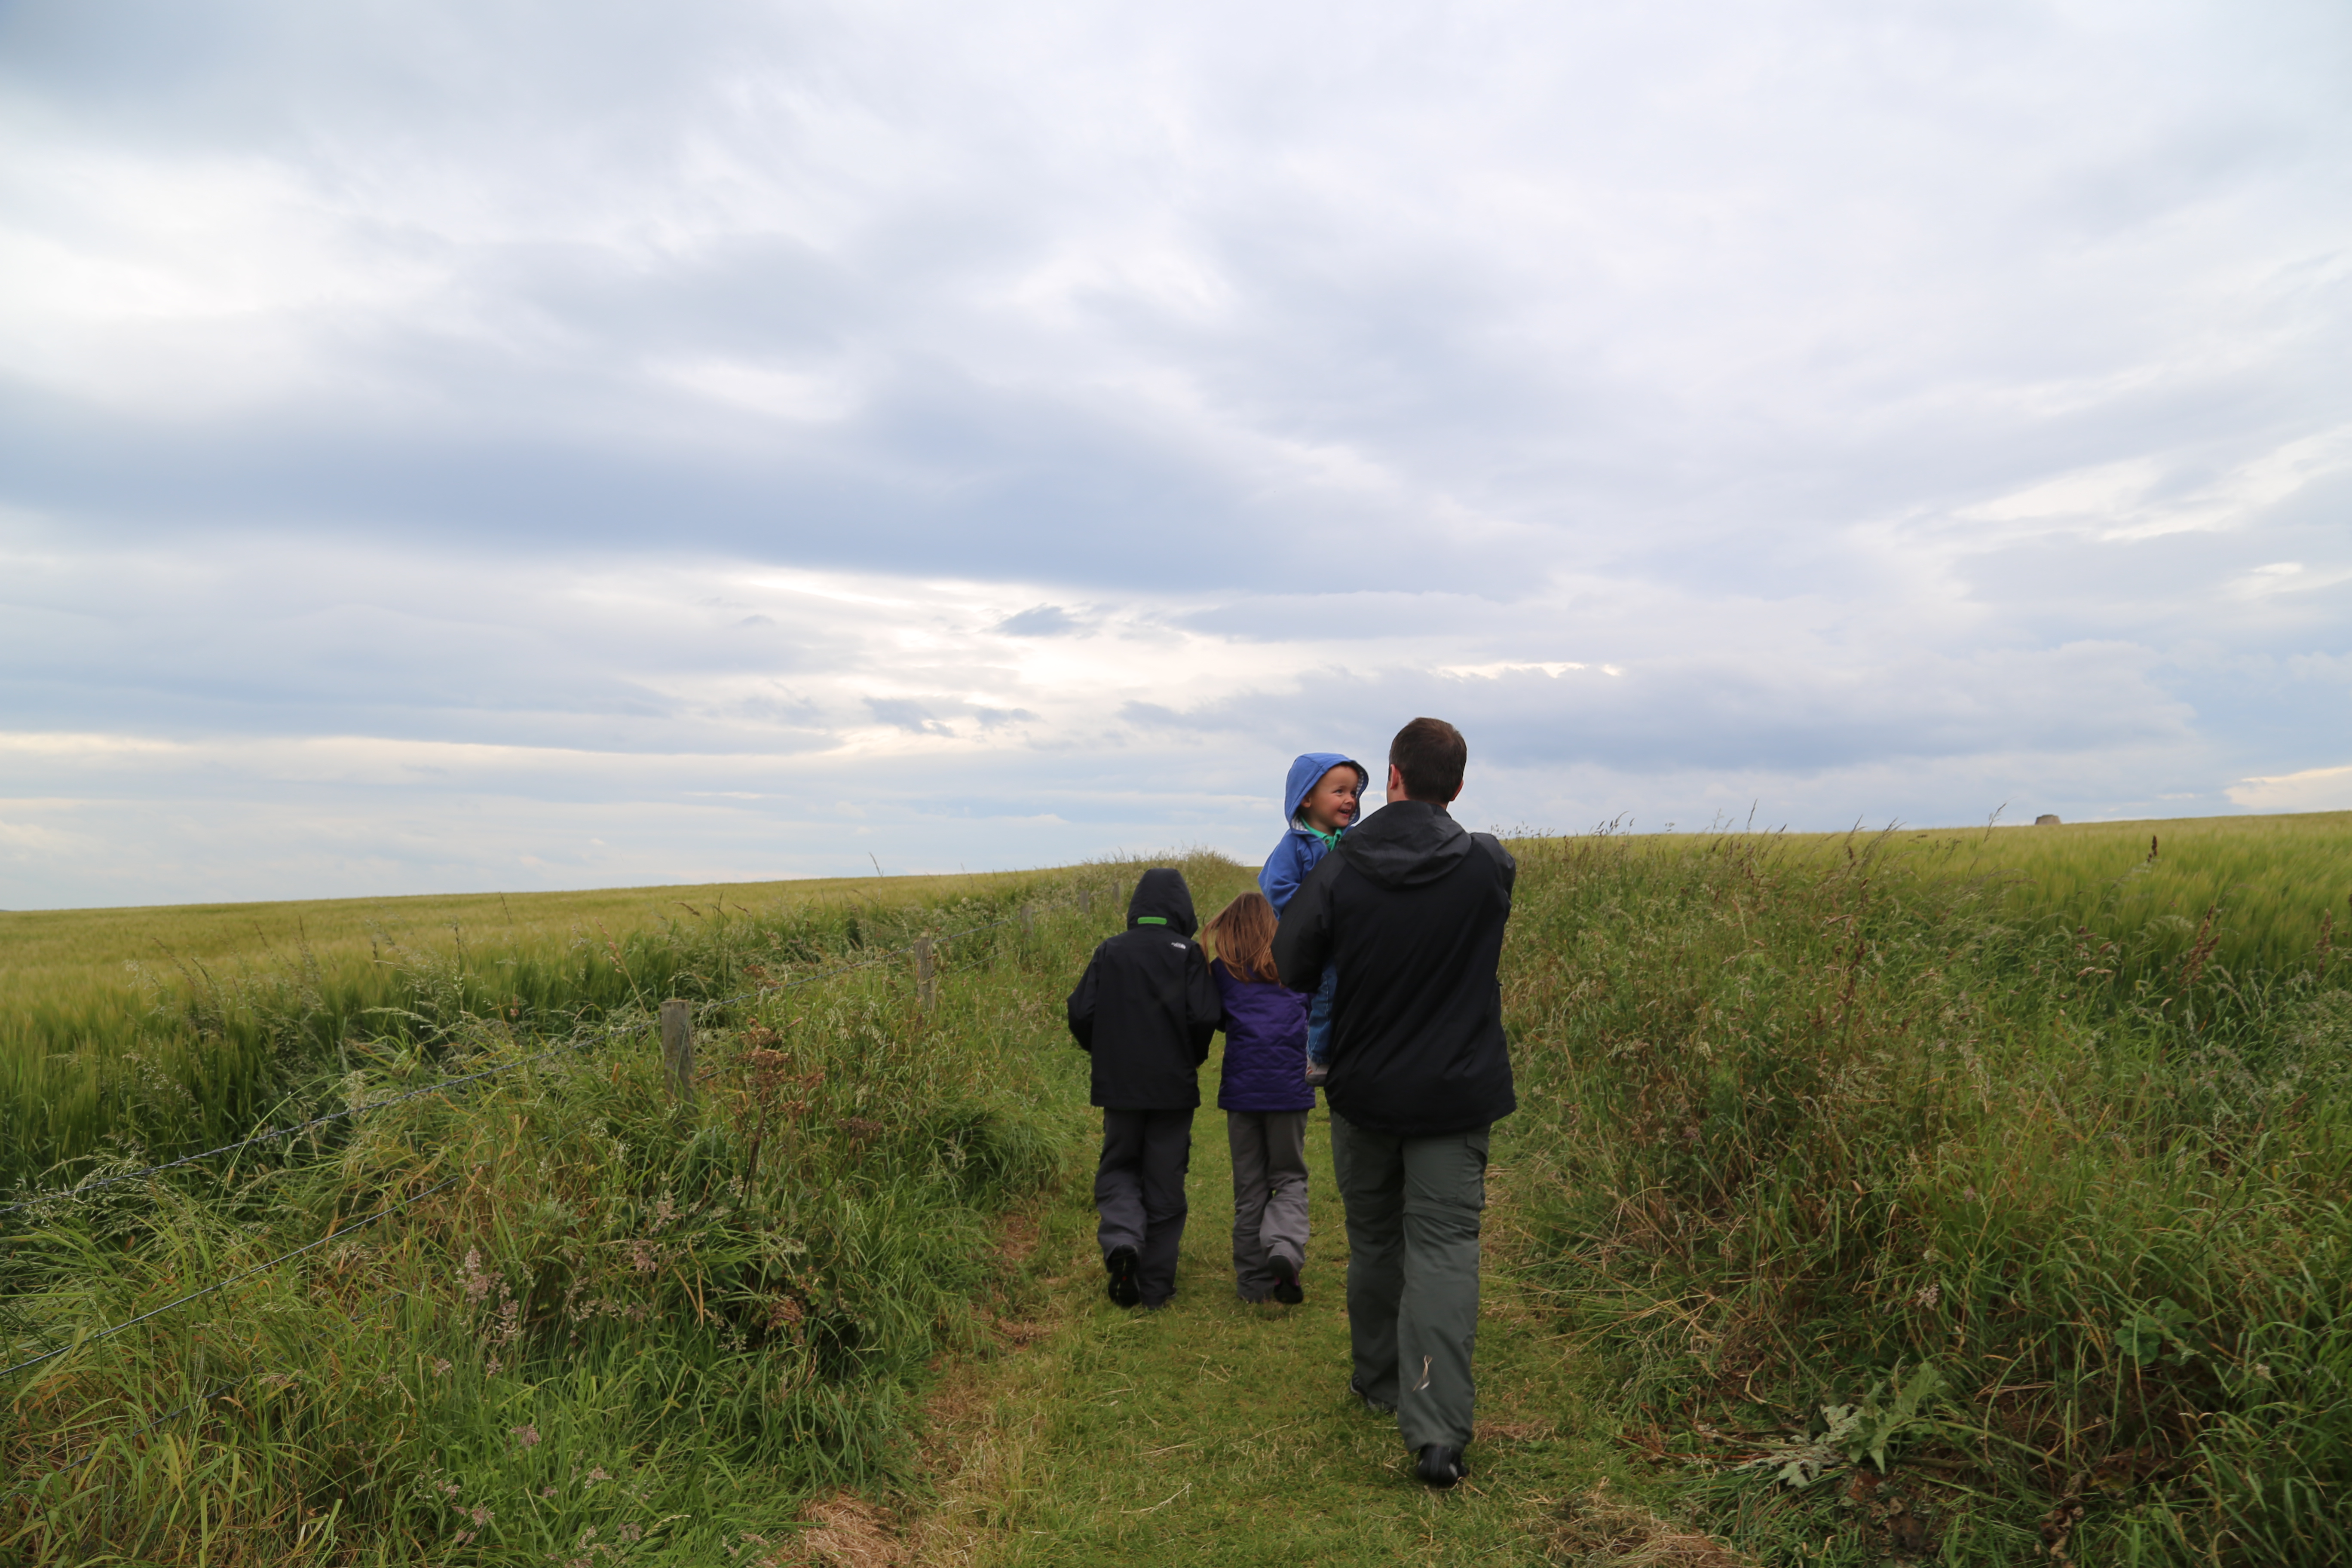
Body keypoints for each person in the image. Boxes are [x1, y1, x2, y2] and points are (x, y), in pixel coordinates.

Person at [1270, 717, 1515, 1489]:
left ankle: (1377, 1382)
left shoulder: (1342, 870)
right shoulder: (1488, 863)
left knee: (1377, 1240)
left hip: (1364, 1089)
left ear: (1393, 775)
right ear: (1460, 787)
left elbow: (1289, 963)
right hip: (1455, 1091)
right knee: (1444, 1248)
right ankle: (1437, 1434)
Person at [1066, 867, 1222, 1310]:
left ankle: (1123, 1243)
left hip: (1119, 1087)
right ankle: (1155, 1287)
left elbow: (1081, 1013)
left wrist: (1104, 1053)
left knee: (1119, 1167)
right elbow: (1206, 1016)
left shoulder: (1109, 951)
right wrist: (1191, 1057)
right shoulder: (1187, 953)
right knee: (1166, 1180)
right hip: (1173, 1088)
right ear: (1182, 909)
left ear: (1136, 909)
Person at [1202, 889, 1314, 1305]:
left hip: (1243, 1092)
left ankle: (1252, 1284)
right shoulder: (1295, 967)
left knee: (1249, 1190)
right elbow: (1312, 1012)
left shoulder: (1222, 973)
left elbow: (1216, 1020)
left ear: (1230, 930)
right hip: (1290, 1088)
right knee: (1288, 1177)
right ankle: (1284, 1249)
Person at [1258, 752, 1368, 1087]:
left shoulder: (1353, 841)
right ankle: (1320, 1056)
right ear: (1306, 798)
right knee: (1329, 987)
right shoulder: (1295, 846)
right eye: (1339, 791)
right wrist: (1313, 914)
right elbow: (1275, 885)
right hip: (1313, 937)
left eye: (1353, 792)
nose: (1350, 799)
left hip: (1351, 934)